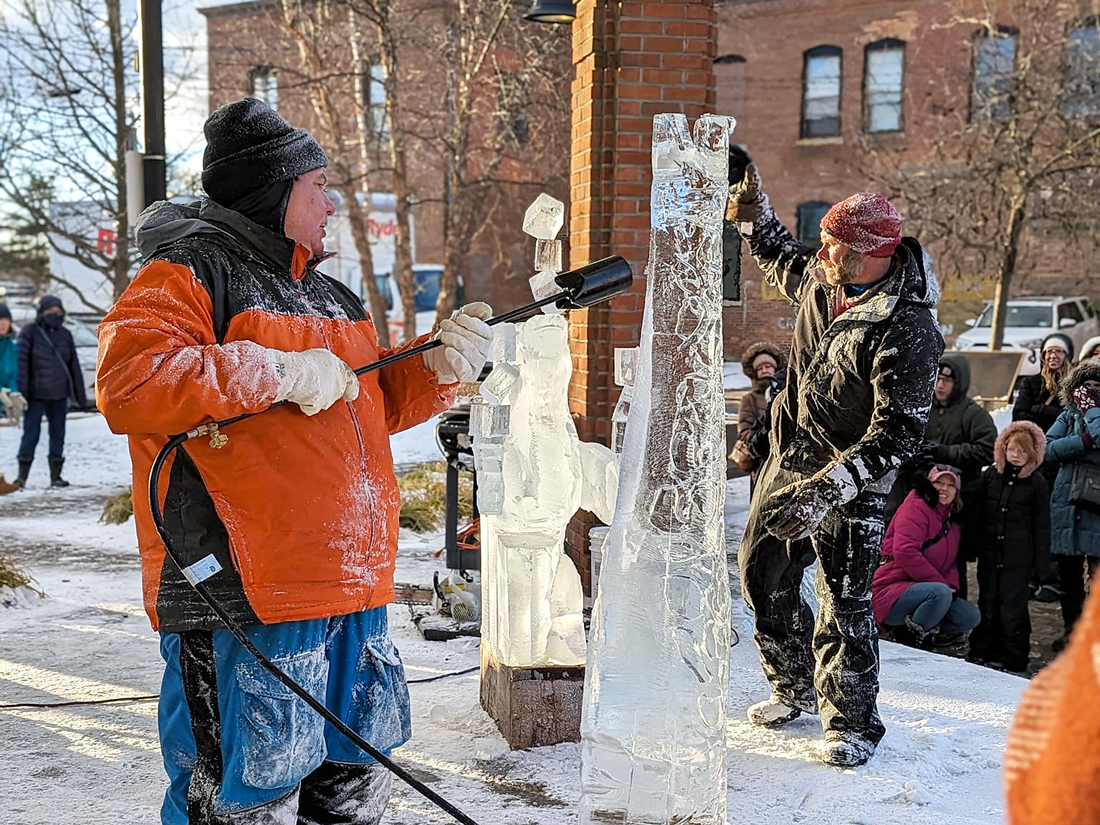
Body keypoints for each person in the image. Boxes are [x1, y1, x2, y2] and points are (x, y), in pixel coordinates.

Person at [95, 98, 494, 825]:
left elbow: (368, 404)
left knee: (349, 785)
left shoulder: (330, 293)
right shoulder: (186, 273)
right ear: (275, 192)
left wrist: (437, 365)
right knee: (245, 796)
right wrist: (273, 373)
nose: (333, 200)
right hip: (243, 593)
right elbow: (131, 382)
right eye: (318, 185)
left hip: (351, 586)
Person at [727, 152, 943, 767]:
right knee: (762, 576)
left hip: (856, 479)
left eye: (836, 250)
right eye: (822, 246)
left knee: (844, 600)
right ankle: (791, 685)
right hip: (792, 458)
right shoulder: (826, 282)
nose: (822, 260)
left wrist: (831, 488)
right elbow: (773, 251)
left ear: (874, 254)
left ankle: (851, 723)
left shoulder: (907, 328)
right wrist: (750, 203)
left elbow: (897, 435)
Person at [965, 421, 1050, 672]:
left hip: (1018, 560)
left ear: (1033, 454)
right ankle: (981, 650)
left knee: (1012, 610)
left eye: (1023, 452)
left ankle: (1013, 656)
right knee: (987, 603)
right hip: (990, 556)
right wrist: (970, 549)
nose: (1016, 456)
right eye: (1012, 450)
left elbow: (1042, 526)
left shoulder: (1036, 483)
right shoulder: (990, 476)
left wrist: (1041, 566)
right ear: (1003, 448)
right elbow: (976, 515)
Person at [872, 465, 978, 648]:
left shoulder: (952, 521)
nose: (944, 488)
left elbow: (950, 563)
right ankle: (910, 643)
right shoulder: (915, 506)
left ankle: (931, 637)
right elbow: (905, 551)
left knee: (969, 616)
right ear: (929, 485)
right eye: (939, 482)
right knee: (939, 594)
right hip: (891, 587)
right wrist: (941, 585)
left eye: (950, 485)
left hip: (925, 587)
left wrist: (951, 586)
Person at [1043, 360, 1100, 653]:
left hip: (1096, 505)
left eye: (1097, 387)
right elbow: (1047, 449)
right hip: (1067, 503)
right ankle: (1072, 634)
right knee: (1069, 579)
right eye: (1086, 386)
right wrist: (1083, 442)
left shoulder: (1092, 412)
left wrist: (1093, 414)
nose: (1090, 392)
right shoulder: (1068, 413)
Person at [1011, 334, 1070, 602]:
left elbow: (1070, 418)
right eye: (1048, 352)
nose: (1052, 357)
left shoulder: (1073, 387)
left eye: (1058, 352)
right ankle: (1031, 575)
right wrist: (1044, 413)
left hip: (1059, 462)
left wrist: (1039, 411)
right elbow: (1018, 416)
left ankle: (1051, 577)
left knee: (1051, 521)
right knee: (1030, 519)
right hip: (1032, 459)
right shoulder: (1032, 382)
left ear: (1067, 355)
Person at [14, 294, 87, 489]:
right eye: (50, 311)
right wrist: (21, 392)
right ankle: (22, 477)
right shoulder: (29, 332)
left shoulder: (65, 334)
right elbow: (21, 364)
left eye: (58, 311)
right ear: (41, 312)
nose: (55, 314)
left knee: (58, 435)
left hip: (59, 395)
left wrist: (81, 397)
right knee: (31, 435)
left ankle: (56, 476)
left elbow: (74, 367)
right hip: (35, 395)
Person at [730, 341, 787, 477]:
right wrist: (762, 436)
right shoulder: (749, 399)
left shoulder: (785, 394)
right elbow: (744, 431)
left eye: (768, 366)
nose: (765, 371)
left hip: (784, 463)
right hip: (761, 463)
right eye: (760, 369)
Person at [0, 302, 21, 495]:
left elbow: (12, 374)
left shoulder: (12, 346)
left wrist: (14, 393)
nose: (2, 323)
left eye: (5, 319)